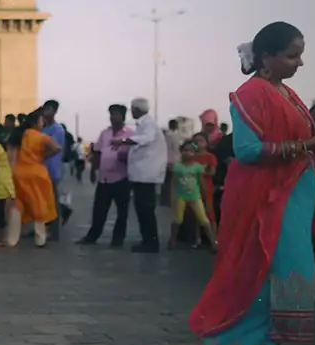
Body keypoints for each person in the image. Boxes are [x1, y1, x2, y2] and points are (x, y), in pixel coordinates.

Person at [189, 22, 315, 345]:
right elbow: (249, 150)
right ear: (267, 56)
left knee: (280, 288)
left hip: (289, 200)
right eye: (292, 55)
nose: (299, 62)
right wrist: (311, 144)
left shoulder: (284, 92)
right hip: (265, 205)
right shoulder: (252, 93)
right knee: (265, 288)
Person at [113, 98, 168, 253]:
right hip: (142, 174)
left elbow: (146, 139)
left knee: (145, 210)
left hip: (146, 175)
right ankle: (147, 240)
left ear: (137, 109)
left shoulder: (148, 124)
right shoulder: (143, 125)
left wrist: (124, 141)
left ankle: (150, 242)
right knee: (142, 209)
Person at [79, 104, 132, 247]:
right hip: (104, 179)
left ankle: (117, 240)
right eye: (111, 114)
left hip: (122, 178)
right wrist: (92, 170)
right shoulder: (105, 133)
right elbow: (97, 152)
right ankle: (92, 236)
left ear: (123, 116)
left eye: (116, 114)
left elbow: (134, 154)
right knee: (99, 210)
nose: (113, 117)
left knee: (122, 212)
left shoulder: (129, 133)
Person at [9, 110, 61, 248]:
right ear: (36, 122)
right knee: (39, 203)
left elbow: (11, 156)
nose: (42, 122)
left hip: (20, 172)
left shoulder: (19, 135)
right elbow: (57, 147)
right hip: (37, 173)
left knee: (18, 204)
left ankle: (12, 239)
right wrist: (43, 156)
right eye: (41, 120)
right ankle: (40, 238)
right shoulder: (40, 136)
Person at [168, 141, 218, 252]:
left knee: (204, 220)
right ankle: (172, 239)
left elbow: (201, 182)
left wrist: (206, 198)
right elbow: (173, 182)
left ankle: (213, 242)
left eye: (190, 151)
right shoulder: (177, 167)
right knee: (178, 219)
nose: (187, 153)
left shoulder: (197, 167)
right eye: (185, 150)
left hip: (195, 196)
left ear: (194, 153)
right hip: (180, 196)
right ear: (181, 152)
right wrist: (171, 197)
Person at [40, 101, 67, 239]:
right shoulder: (43, 129)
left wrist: (39, 157)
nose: (46, 112)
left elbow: (54, 148)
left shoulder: (57, 129)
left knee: (52, 203)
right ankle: (43, 228)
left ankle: (54, 232)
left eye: (49, 109)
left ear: (54, 111)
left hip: (52, 170)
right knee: (43, 202)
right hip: (42, 170)